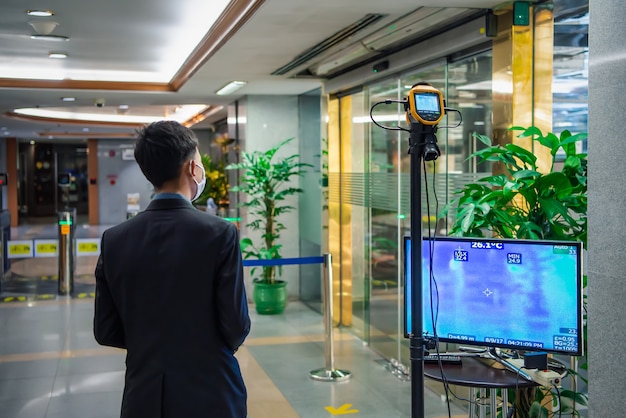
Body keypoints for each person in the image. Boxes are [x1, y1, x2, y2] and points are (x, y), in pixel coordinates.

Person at [93, 120, 251, 418]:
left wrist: (152, 346)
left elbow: (106, 330)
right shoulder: (220, 233)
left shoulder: (114, 240)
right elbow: (236, 325)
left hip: (145, 396)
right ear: (192, 168)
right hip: (213, 391)